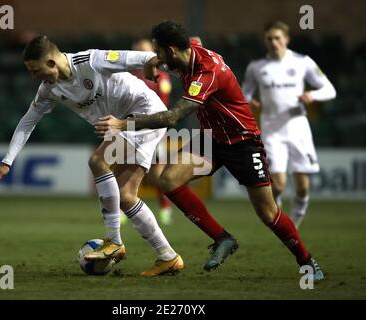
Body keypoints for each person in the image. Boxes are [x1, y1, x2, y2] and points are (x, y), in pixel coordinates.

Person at [94, 20, 324, 281]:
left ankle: (307, 261)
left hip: (242, 141)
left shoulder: (207, 73)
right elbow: (195, 40)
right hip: (212, 139)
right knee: (169, 179)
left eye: (158, 52)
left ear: (171, 50)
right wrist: (151, 63)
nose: (156, 56)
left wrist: (123, 124)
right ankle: (222, 238)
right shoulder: (185, 52)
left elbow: (173, 117)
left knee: (268, 212)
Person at [0, 35, 184, 277]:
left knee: (98, 161)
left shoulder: (92, 61)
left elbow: (139, 58)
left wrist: (161, 63)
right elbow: (28, 122)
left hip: (145, 113)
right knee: (125, 196)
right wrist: (7, 161)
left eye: (35, 70)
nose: (34, 76)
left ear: (51, 62)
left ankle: (113, 241)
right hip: (125, 125)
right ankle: (168, 257)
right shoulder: (49, 90)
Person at [242, 21, 336, 228]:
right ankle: (281, 220)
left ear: (286, 39)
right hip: (271, 131)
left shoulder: (303, 62)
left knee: (302, 187)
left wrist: (313, 94)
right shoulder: (256, 67)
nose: (274, 42)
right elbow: (244, 92)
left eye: (277, 38)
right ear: (265, 41)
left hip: (298, 129)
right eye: (269, 39)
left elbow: (330, 89)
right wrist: (250, 100)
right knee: (279, 183)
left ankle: (297, 218)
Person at [129, 38, 173, 226]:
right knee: (124, 171)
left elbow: (163, 102)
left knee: (156, 174)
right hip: (129, 128)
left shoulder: (160, 77)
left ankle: (165, 207)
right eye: (138, 51)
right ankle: (124, 208)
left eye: (145, 51)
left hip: (153, 130)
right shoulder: (127, 75)